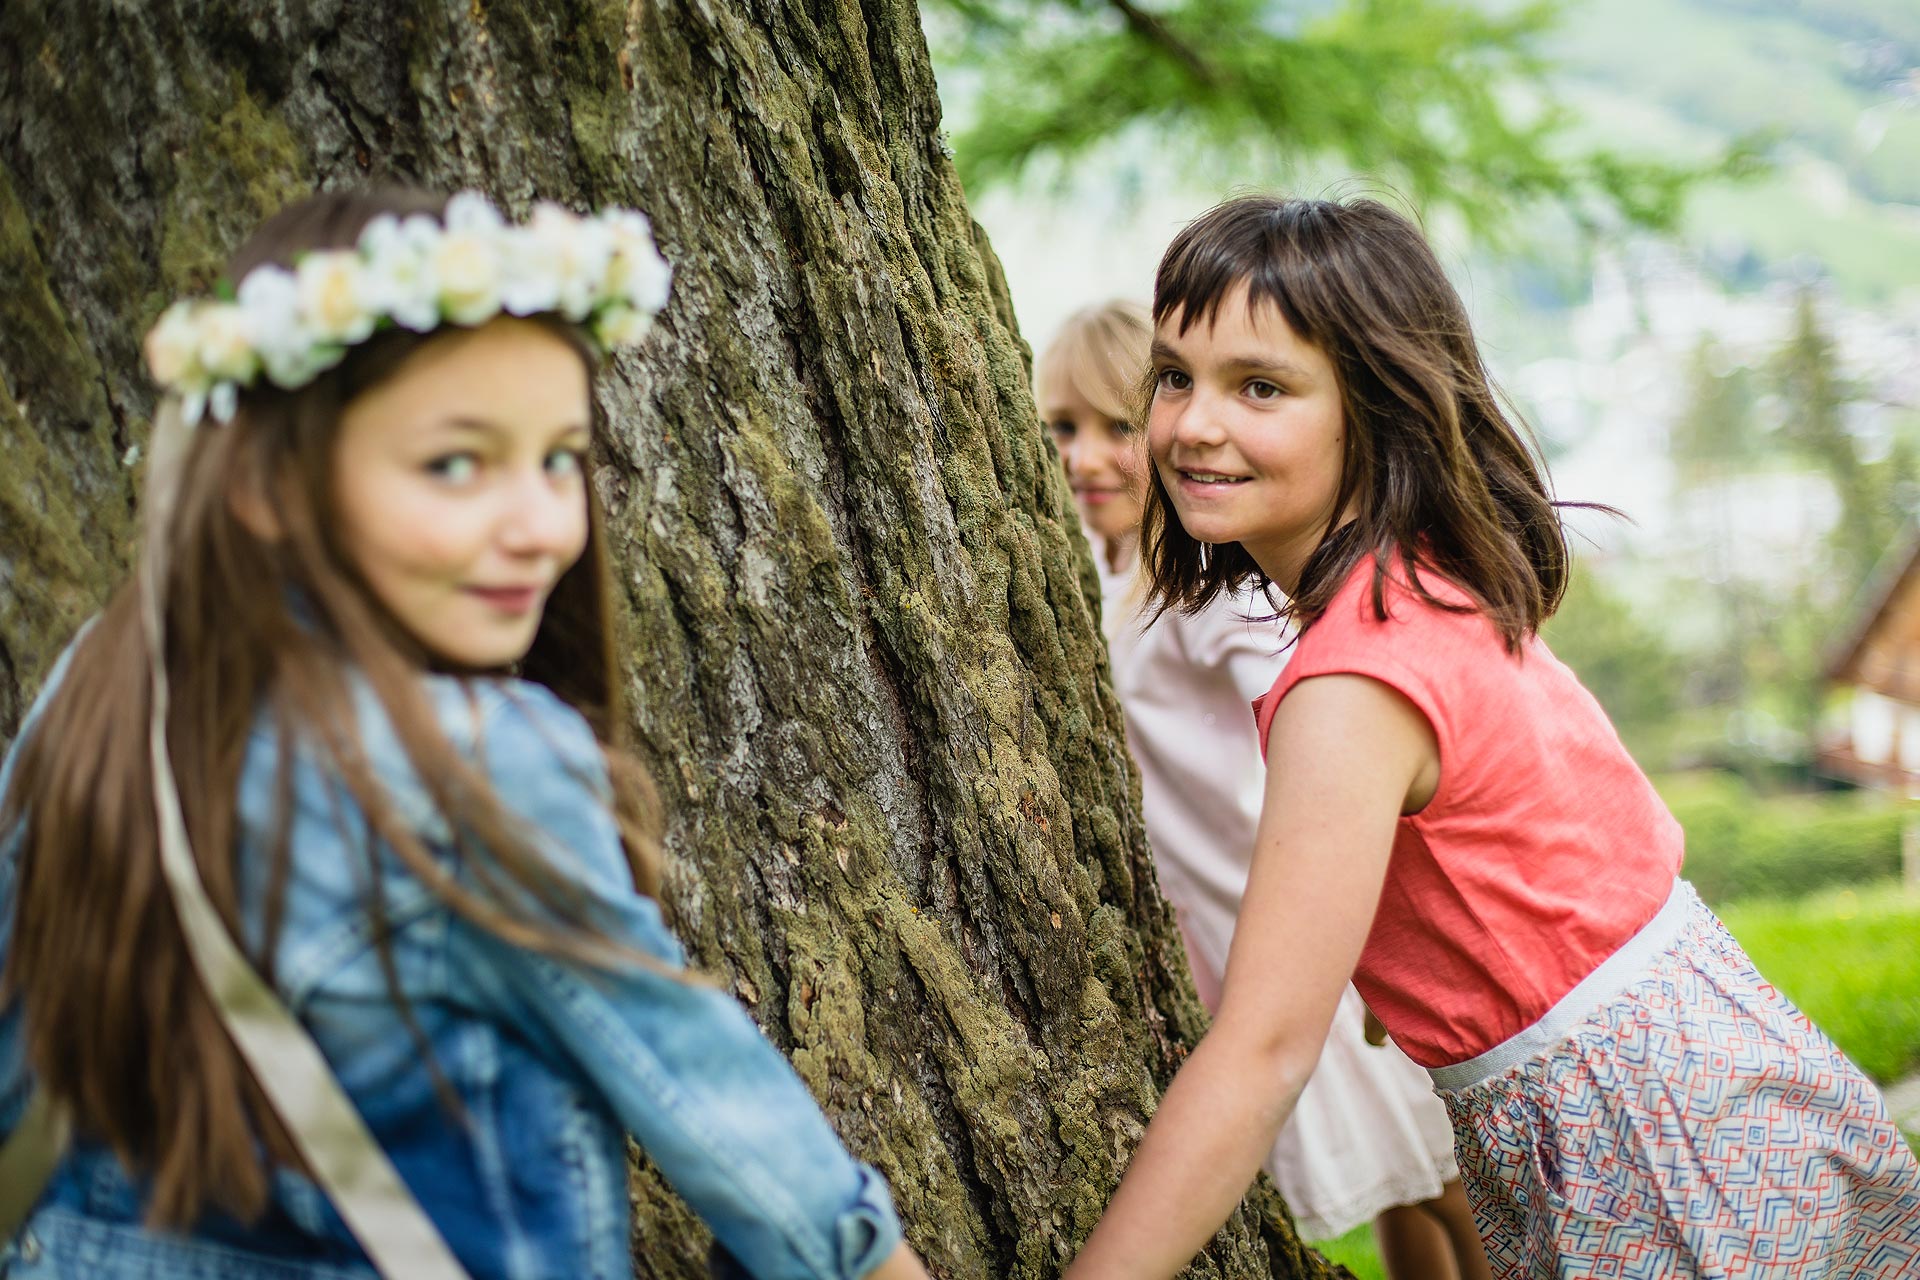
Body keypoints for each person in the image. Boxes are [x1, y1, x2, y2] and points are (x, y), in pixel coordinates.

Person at [0, 187, 928, 1280]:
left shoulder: (98, 685)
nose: (540, 524)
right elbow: (712, 1100)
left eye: (560, 457)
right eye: (455, 464)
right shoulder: (479, 761)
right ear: (261, 481)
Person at [1063, 196, 1920, 1279]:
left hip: (1636, 1145)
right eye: (1176, 375)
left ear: (1371, 411)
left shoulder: (1350, 679)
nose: (1190, 423)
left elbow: (1265, 1051)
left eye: (1261, 386)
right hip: (1721, 1075)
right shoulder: (1425, 579)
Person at [1039, 302, 1488, 1280]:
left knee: (1440, 1168)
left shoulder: (1203, 590)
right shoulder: (1113, 573)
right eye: (1061, 429)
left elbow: (1305, 693)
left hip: (1304, 928)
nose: (1088, 457)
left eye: (1118, 426)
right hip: (1233, 933)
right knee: (1396, 1171)